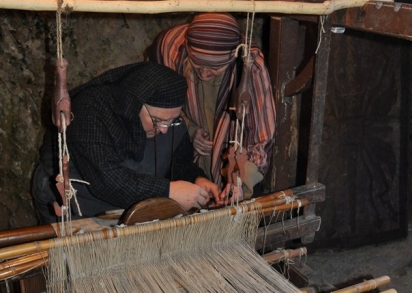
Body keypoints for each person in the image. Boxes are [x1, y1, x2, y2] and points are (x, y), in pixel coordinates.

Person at [32, 62, 221, 224]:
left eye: (172, 121)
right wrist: (169, 191)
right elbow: (107, 180)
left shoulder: (169, 123)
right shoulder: (89, 112)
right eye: (157, 121)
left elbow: (181, 165)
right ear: (135, 104)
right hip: (77, 205)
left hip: (130, 209)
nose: (164, 129)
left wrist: (198, 180)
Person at [148, 12, 276, 200]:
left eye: (215, 69)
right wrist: (189, 129)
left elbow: (261, 135)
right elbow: (155, 105)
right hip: (187, 159)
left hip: (232, 153)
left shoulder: (250, 67)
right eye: (198, 66)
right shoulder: (170, 49)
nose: (205, 74)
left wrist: (241, 181)